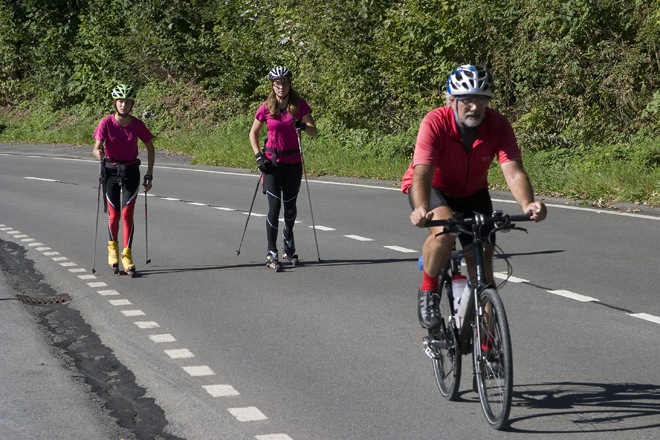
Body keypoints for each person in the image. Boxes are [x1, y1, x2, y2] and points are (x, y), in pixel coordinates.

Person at [401, 64, 547, 328]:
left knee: (483, 271)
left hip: (473, 192)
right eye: (467, 100)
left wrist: (528, 204)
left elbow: (513, 172)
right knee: (445, 230)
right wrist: (421, 208)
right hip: (434, 188)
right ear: (452, 100)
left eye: (481, 99)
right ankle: (428, 289)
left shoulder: (497, 124)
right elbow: (422, 172)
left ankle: (490, 349)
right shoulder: (435, 122)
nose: (475, 107)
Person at [248, 66, 318, 269]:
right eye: (277, 83)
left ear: (289, 84)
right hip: (271, 163)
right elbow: (253, 133)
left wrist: (303, 127)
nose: (281, 87)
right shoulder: (266, 107)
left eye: (284, 83)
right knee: (274, 207)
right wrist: (258, 156)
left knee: (290, 209)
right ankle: (271, 252)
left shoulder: (299, 105)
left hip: (293, 164)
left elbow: (314, 132)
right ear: (272, 85)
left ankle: (288, 242)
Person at [92, 83, 155, 276]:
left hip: (131, 171)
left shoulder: (137, 125)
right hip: (110, 171)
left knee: (127, 214)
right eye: (120, 101)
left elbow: (150, 147)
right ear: (115, 103)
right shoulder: (106, 123)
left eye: (127, 102)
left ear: (131, 104)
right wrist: (98, 153)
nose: (123, 105)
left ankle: (126, 255)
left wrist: (149, 174)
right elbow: (96, 147)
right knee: (114, 215)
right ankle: (112, 251)